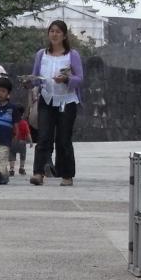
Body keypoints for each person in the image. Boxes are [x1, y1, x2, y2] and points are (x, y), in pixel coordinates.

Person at [29, 20, 84, 187]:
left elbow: (79, 78)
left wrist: (66, 79)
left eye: (58, 31)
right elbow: (36, 77)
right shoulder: (41, 54)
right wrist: (29, 81)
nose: (54, 34)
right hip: (47, 99)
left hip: (66, 100)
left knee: (63, 139)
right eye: (52, 31)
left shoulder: (72, 55)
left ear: (64, 35)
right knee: (43, 137)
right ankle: (38, 172)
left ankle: (67, 174)